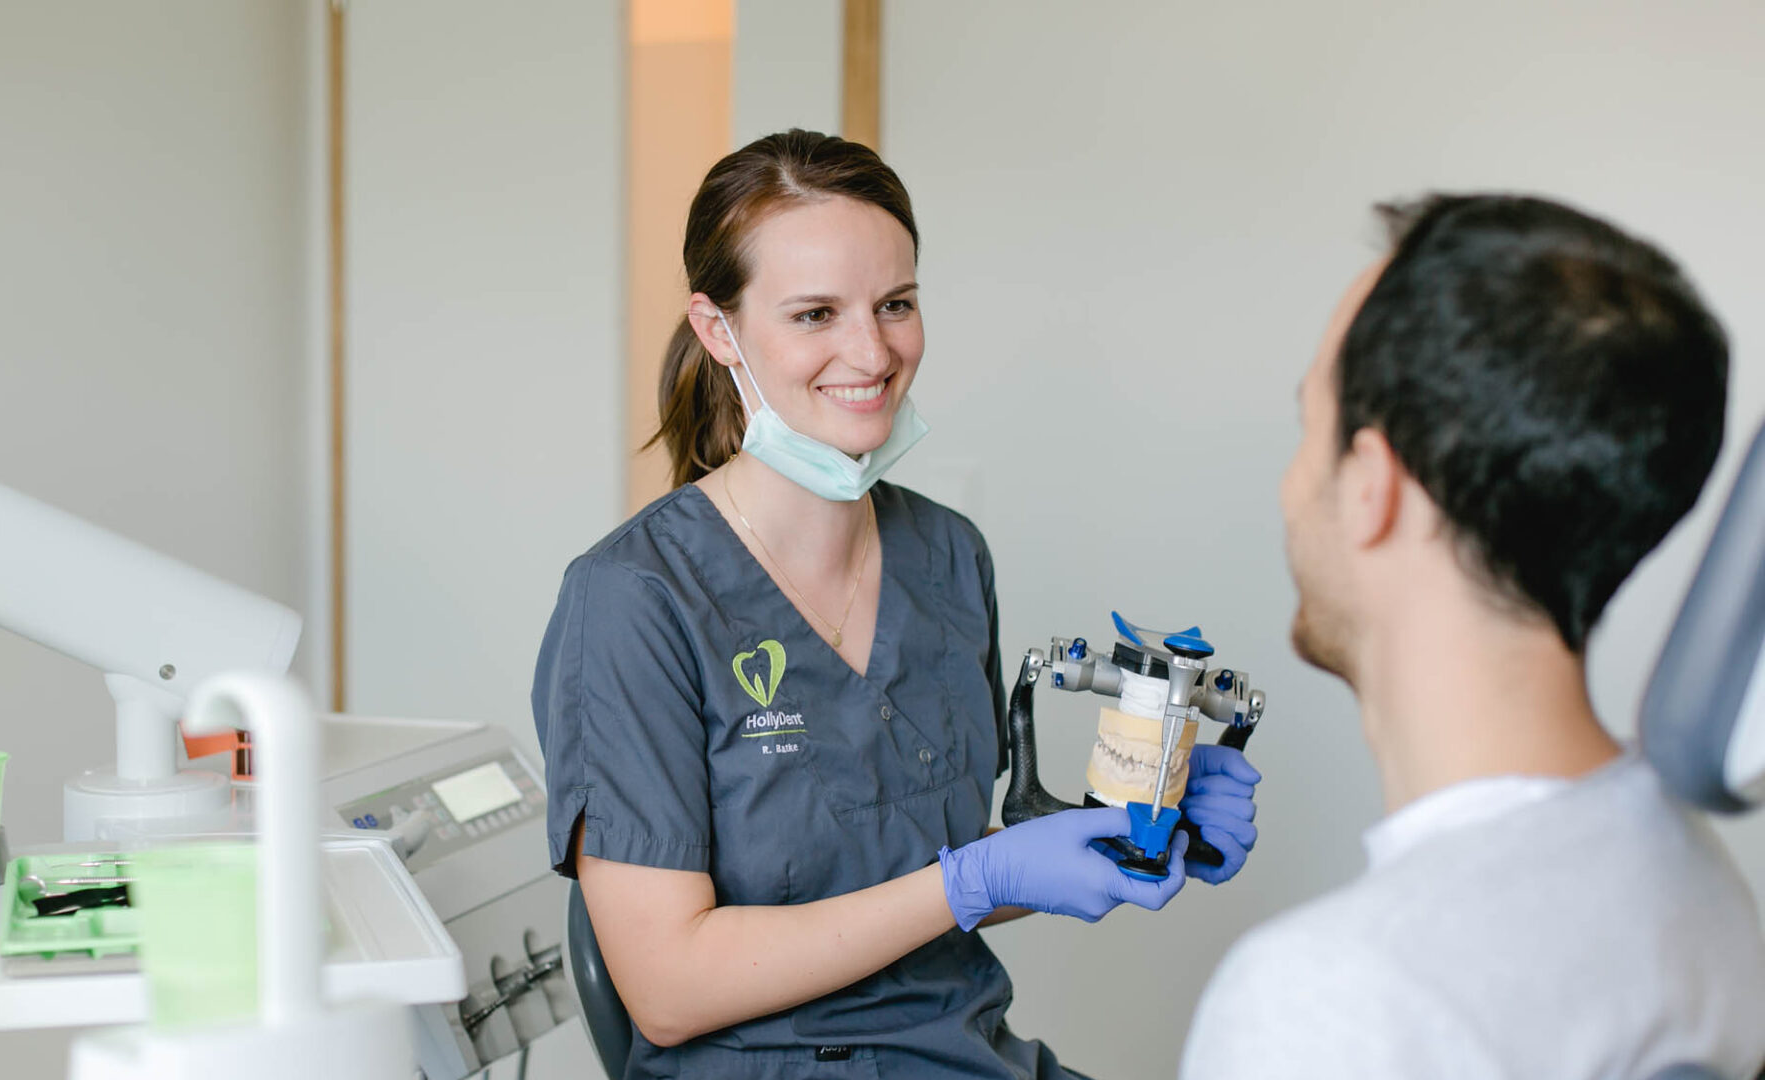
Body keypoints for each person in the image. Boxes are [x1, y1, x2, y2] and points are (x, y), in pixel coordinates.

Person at [532, 130, 1262, 1079]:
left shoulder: (949, 556)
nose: (870, 351)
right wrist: (974, 881)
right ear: (718, 331)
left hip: (968, 1055)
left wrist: (1127, 824)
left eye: (895, 305)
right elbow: (668, 993)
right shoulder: (632, 602)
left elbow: (943, 872)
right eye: (814, 315)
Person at [1179, 194, 1765, 1079]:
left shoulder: (1330, 1004)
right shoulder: (1699, 888)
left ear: (1373, 486)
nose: (1290, 487)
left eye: (1310, 429)